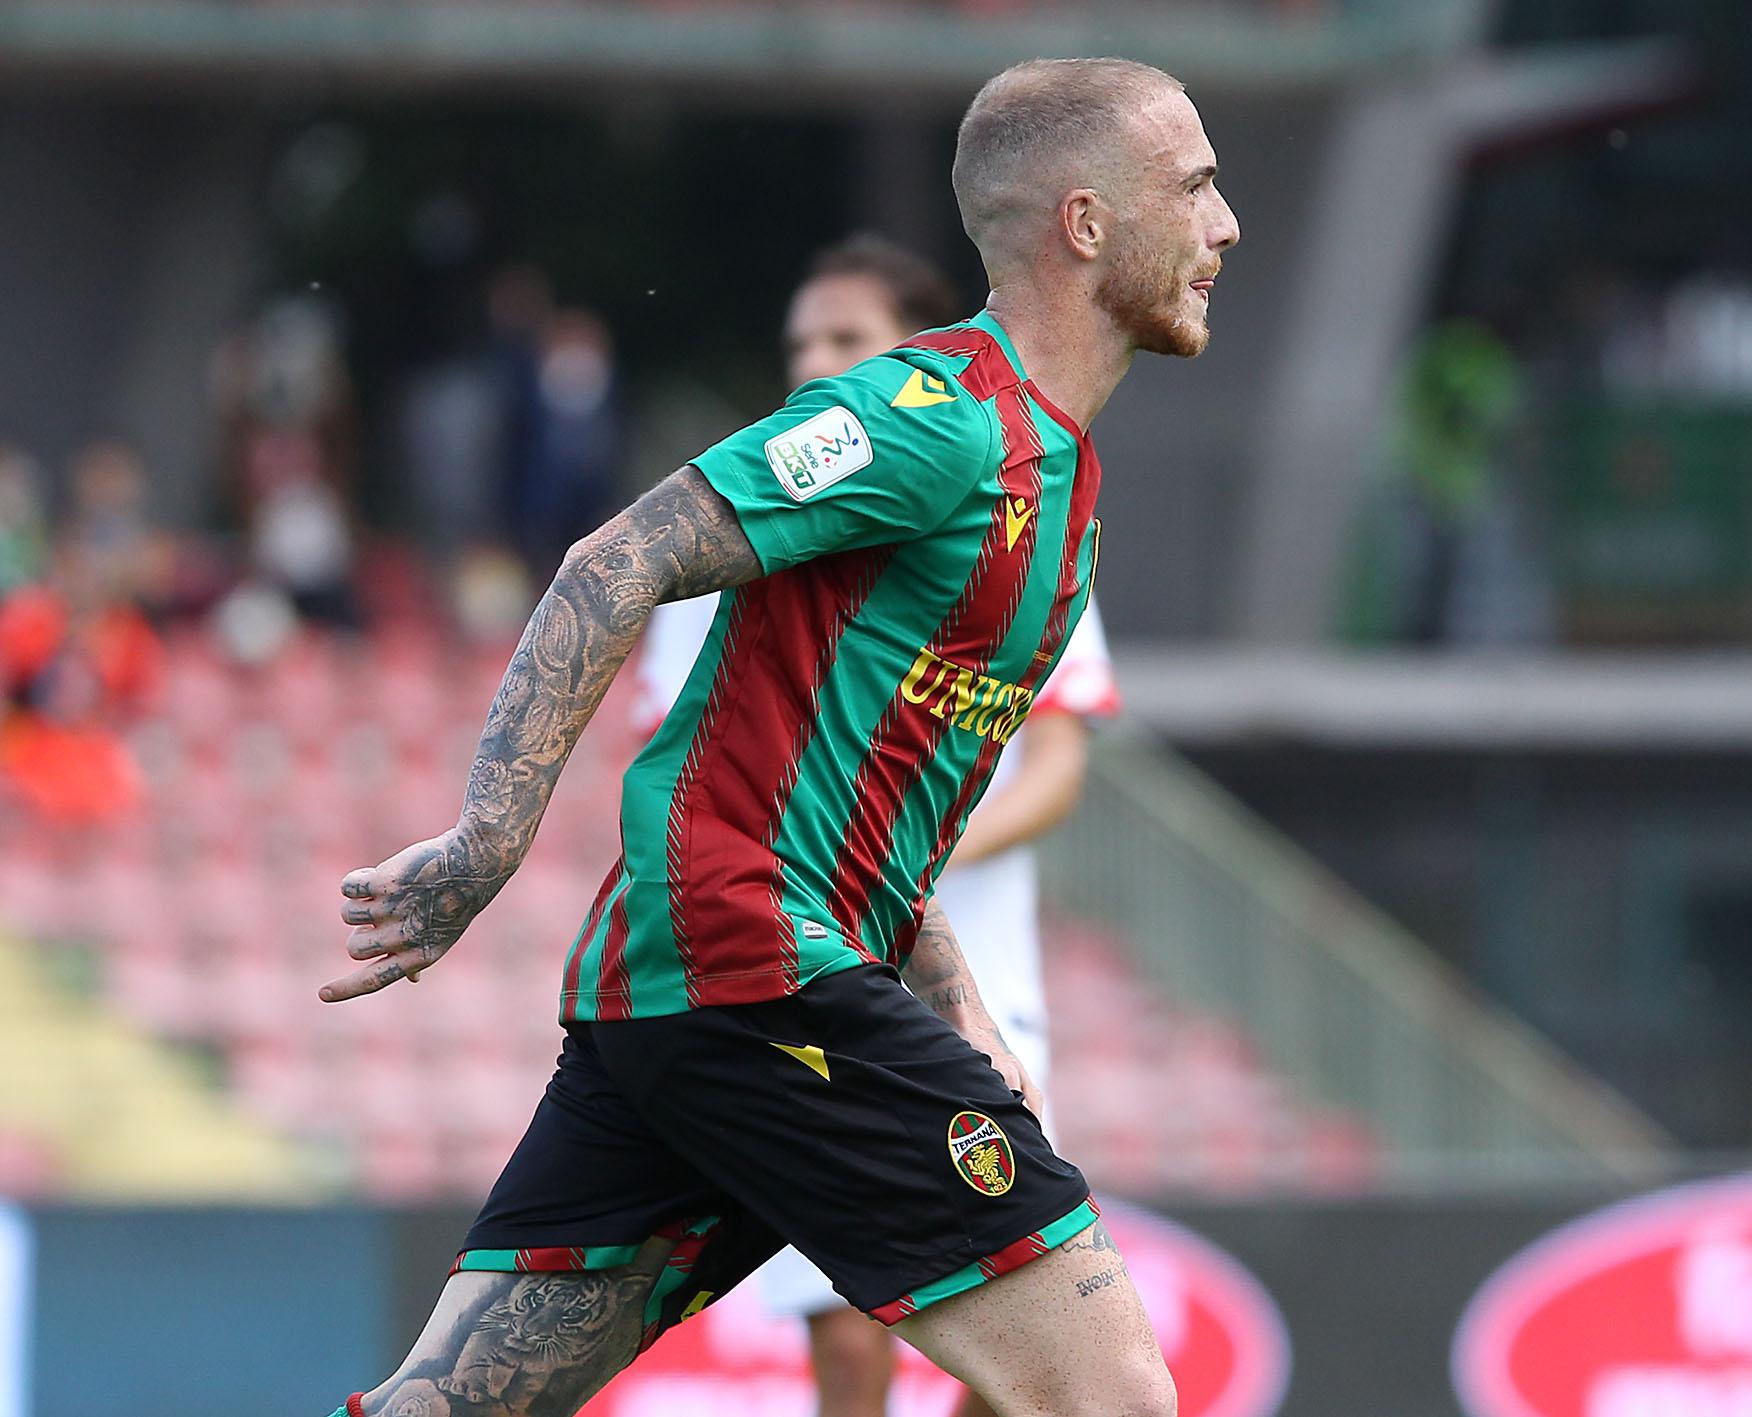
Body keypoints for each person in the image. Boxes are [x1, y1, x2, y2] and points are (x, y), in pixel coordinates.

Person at [319, 55, 1236, 1417]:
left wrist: (953, 1002)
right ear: (1087, 223)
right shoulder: (931, 418)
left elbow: (874, 804)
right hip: (752, 967)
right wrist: (485, 840)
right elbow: (610, 562)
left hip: (696, 993)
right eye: (1195, 186)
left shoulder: (1062, 485)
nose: (1224, 225)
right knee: (1111, 1397)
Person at [634, 234, 1122, 1417]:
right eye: (799, 341)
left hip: (978, 988)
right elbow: (685, 776)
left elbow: (1055, 768)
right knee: (845, 1339)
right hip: (796, 981)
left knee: (1027, 1330)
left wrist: (903, 857)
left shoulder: (1025, 519)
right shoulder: (740, 531)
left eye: (845, 338)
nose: (813, 362)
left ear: (922, 355)